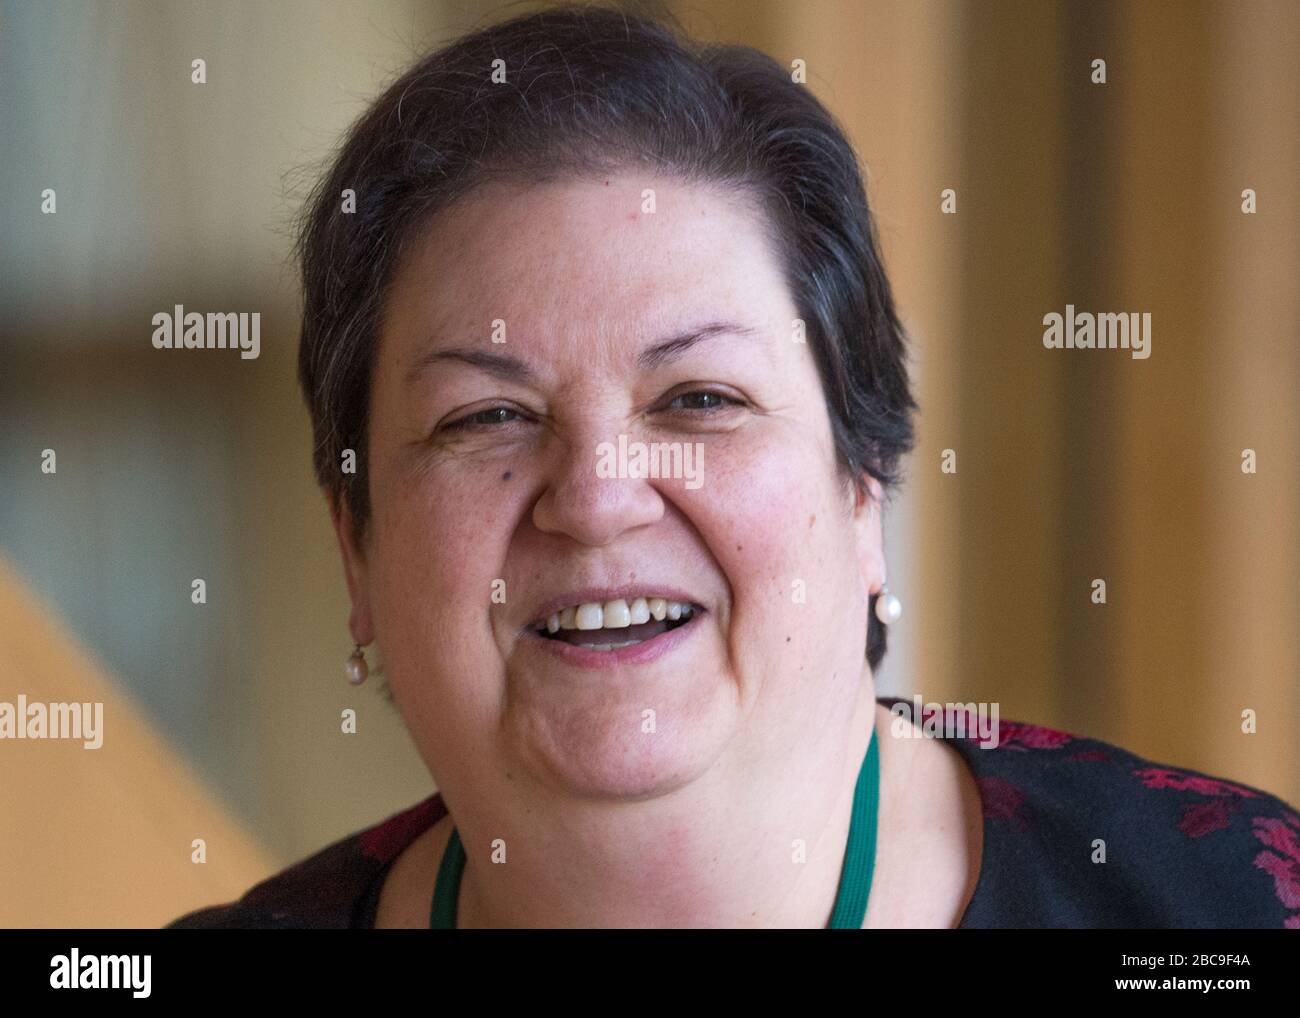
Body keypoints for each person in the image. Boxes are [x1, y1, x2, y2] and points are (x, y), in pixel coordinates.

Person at [168, 2, 1300, 929]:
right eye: (486, 418)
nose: (597, 498)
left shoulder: (1226, 910)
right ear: (354, 546)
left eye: (698, 399)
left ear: (863, 487)